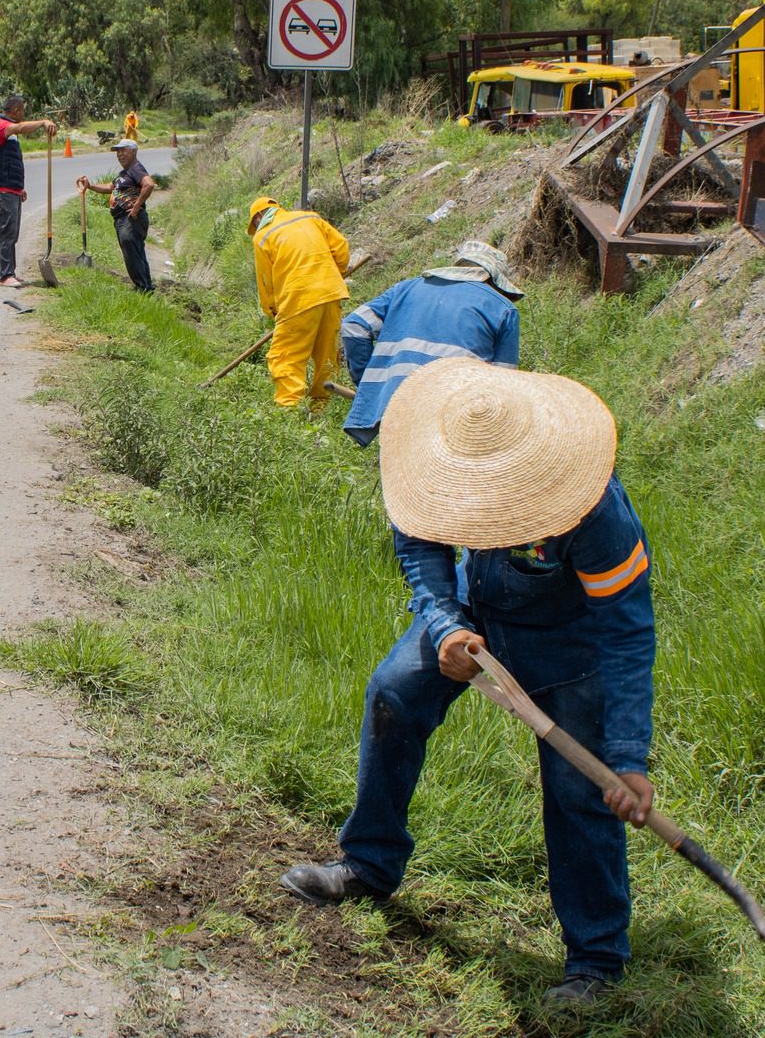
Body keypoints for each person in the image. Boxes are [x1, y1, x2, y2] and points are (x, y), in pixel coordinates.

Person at [280, 358, 657, 1013]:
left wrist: (626, 756)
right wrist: (446, 624)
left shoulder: (594, 511)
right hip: (472, 608)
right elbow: (420, 544)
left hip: (567, 645)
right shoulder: (432, 458)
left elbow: (625, 632)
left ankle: (596, 957)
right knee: (394, 693)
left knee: (581, 789)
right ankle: (368, 864)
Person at [340, 239, 523, 447]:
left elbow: (353, 326)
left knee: (396, 472)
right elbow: (505, 382)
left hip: (395, 401)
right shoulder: (503, 308)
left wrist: (368, 382)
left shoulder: (405, 289)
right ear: (494, 279)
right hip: (455, 410)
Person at [247, 195, 350, 409]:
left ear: (258, 217)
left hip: (298, 298)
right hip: (331, 293)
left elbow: (266, 281)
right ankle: (322, 408)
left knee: (286, 355)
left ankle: (288, 409)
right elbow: (341, 247)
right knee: (327, 355)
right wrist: (335, 275)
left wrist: (272, 310)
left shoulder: (263, 236)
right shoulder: (311, 218)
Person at [0, 93, 57, 288]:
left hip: (11, 189)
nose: (24, 114)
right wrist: (42, 122)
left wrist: (18, 189)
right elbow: (19, 128)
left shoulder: (7, 129)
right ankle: (6, 275)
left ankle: (10, 272)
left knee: (13, 232)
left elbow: (9, 162)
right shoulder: (0, 125)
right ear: (15, 110)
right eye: (22, 110)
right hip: (1, 190)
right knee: (7, 231)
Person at [75, 140, 156, 292]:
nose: (119, 155)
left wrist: (136, 207)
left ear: (133, 151)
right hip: (123, 220)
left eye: (123, 150)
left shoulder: (136, 168)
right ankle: (145, 286)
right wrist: (90, 186)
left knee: (132, 253)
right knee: (135, 252)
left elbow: (149, 184)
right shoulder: (124, 173)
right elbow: (109, 187)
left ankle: (142, 288)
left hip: (131, 218)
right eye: (117, 152)